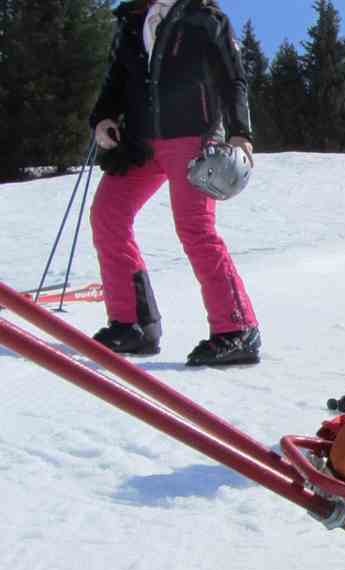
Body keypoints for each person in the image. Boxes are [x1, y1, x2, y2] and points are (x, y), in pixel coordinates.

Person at [88, 0, 261, 366]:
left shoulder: (205, 18)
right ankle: (133, 325)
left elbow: (233, 78)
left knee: (194, 227)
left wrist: (240, 134)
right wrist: (102, 117)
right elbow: (117, 77)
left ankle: (237, 329)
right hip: (139, 140)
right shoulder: (133, 19)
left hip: (192, 136)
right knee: (108, 216)